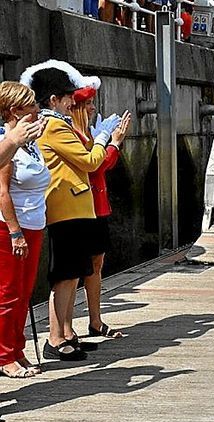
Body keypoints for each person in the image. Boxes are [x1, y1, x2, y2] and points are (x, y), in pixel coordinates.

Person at [23, 60, 122, 361]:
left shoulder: (56, 125)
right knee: (65, 276)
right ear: (54, 100)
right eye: (67, 96)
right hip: (66, 206)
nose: (72, 102)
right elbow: (91, 161)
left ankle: (67, 332)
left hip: (75, 206)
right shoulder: (54, 126)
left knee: (73, 274)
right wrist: (106, 138)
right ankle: (56, 337)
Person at [69, 77, 130, 340]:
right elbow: (95, 166)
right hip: (82, 207)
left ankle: (95, 321)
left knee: (97, 264)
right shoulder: (73, 133)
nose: (93, 108)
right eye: (89, 103)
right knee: (72, 270)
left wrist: (110, 142)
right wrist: (113, 142)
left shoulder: (89, 133)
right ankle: (64, 328)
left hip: (98, 206)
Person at [0, 82, 50, 377]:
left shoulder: (29, 143)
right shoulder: (7, 143)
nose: (36, 109)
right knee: (7, 293)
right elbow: (2, 192)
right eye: (30, 105)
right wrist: (15, 232)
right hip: (10, 229)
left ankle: (16, 350)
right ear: (14, 111)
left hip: (35, 224)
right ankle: (4, 355)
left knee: (24, 293)